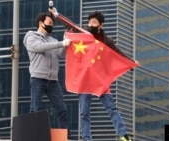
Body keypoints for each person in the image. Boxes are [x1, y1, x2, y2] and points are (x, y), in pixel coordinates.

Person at [49, 8, 137, 141]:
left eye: (94, 22)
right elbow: (70, 25)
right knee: (84, 113)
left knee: (111, 107)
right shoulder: (83, 33)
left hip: (100, 79)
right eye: (89, 22)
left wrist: (131, 63)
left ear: (101, 25)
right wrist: (56, 15)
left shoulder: (107, 41)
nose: (90, 25)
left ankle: (124, 135)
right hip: (85, 79)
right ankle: (86, 138)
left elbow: (118, 53)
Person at [23, 12, 72, 139]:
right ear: (41, 23)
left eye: (52, 24)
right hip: (38, 78)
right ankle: (33, 136)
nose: (51, 26)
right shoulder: (31, 36)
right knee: (36, 109)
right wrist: (61, 43)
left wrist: (66, 37)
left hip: (53, 80)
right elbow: (39, 47)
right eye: (49, 23)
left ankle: (64, 136)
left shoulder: (53, 40)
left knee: (62, 109)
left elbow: (62, 53)